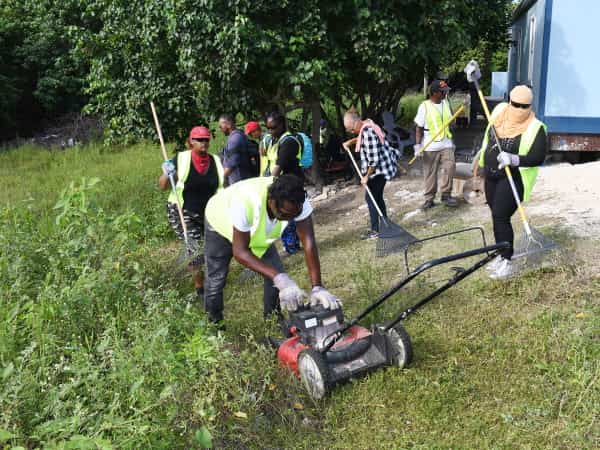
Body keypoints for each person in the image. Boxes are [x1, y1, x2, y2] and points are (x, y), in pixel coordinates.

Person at [203, 174, 340, 325]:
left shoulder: (297, 199)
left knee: (276, 273)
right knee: (216, 280)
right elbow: (240, 252)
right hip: (220, 222)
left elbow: (308, 241)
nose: (290, 219)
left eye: (294, 215)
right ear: (271, 201)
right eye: (285, 215)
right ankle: (214, 326)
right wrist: (278, 278)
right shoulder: (246, 201)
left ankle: (273, 321)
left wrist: (317, 287)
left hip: (254, 232)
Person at [478, 85, 547, 279]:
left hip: (512, 178)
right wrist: (481, 163)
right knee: (495, 215)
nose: (518, 110)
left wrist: (514, 159)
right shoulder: (500, 111)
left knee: (501, 215)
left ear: (530, 106)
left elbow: (537, 156)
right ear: (509, 102)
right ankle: (501, 255)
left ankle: (507, 261)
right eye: (515, 105)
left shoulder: (536, 128)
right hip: (491, 174)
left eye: (523, 106)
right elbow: (487, 138)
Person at [159, 126, 224, 300]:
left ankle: (213, 280)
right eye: (199, 140)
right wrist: (167, 173)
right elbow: (163, 186)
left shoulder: (216, 161)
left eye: (206, 140)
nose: (204, 143)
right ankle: (200, 288)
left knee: (211, 246)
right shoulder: (181, 159)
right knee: (194, 248)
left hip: (207, 211)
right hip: (182, 210)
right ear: (191, 142)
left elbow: (221, 188)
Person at [343, 108, 401, 240]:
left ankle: (376, 231)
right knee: (377, 197)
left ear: (356, 123)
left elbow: (374, 161)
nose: (349, 131)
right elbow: (360, 137)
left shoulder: (368, 132)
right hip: (383, 167)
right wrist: (350, 142)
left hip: (379, 170)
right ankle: (385, 225)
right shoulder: (367, 125)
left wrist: (366, 177)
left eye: (350, 128)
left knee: (371, 199)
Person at [414, 79, 459, 209]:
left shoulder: (446, 103)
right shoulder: (424, 106)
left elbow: (451, 122)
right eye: (443, 92)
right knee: (430, 173)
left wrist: (453, 139)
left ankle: (446, 195)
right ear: (434, 93)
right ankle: (429, 199)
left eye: (446, 91)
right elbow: (418, 127)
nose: (445, 93)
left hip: (446, 143)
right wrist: (417, 146)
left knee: (450, 168)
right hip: (430, 145)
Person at [264, 111, 304, 254]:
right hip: (281, 184)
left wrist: (266, 185)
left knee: (289, 214)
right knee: (285, 215)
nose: (270, 131)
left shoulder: (289, 142)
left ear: (282, 125)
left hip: (291, 184)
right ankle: (290, 245)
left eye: (273, 127)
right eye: (268, 128)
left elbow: (278, 166)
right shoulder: (274, 140)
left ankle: (292, 246)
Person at [218, 113, 252, 185]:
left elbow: (232, 164)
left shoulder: (235, 139)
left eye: (220, 126)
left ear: (229, 124)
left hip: (239, 183)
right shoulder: (237, 136)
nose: (220, 128)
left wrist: (219, 179)